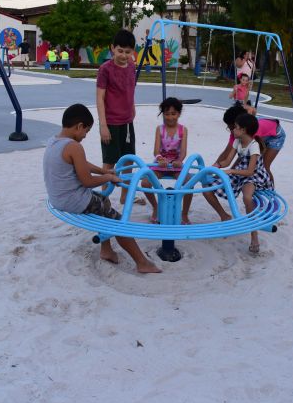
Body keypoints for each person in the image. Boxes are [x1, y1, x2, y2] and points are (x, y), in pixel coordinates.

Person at [43, 103, 161, 272]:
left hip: (58, 198)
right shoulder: (74, 146)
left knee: (103, 202)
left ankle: (106, 250)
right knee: (119, 222)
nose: (84, 136)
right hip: (73, 201)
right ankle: (142, 262)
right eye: (86, 131)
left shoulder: (54, 141)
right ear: (79, 126)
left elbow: (82, 165)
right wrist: (108, 177)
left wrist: (103, 170)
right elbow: (87, 181)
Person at [203, 112, 274, 254]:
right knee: (207, 189)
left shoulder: (254, 146)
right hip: (239, 173)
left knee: (247, 197)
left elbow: (250, 171)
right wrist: (216, 166)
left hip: (253, 175)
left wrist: (230, 171)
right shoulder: (237, 141)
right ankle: (224, 216)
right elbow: (228, 162)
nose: (232, 130)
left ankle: (254, 236)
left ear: (243, 130)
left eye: (235, 127)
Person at [96, 29, 145, 207]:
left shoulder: (132, 66)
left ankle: (125, 196)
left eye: (128, 52)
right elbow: (100, 97)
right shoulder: (105, 70)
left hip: (127, 122)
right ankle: (104, 198)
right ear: (112, 49)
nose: (124, 55)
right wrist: (103, 125)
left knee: (129, 159)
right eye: (120, 51)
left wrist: (132, 106)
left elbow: (130, 89)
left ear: (132, 51)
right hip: (110, 122)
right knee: (109, 162)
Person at [143, 97, 193, 224]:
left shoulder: (183, 130)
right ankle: (156, 207)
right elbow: (156, 151)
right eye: (167, 114)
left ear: (179, 114)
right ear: (163, 114)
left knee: (189, 184)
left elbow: (183, 151)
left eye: (173, 114)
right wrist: (160, 158)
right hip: (161, 163)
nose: (170, 117)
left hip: (176, 164)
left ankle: (184, 213)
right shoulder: (160, 129)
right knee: (145, 183)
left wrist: (180, 160)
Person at [216, 104, 285, 184]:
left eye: (231, 127)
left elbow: (243, 157)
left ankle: (270, 189)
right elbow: (227, 152)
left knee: (264, 167)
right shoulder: (237, 131)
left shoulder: (252, 132)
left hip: (275, 136)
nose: (230, 130)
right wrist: (214, 167)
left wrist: (230, 171)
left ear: (240, 127)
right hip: (262, 133)